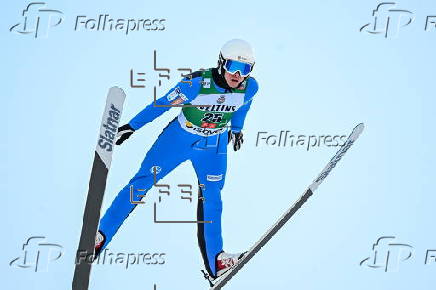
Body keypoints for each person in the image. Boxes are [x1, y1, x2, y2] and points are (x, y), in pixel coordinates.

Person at [95, 39, 259, 280]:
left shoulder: (250, 88)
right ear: (222, 63)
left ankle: (217, 262)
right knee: (141, 183)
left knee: (212, 196)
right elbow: (161, 104)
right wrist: (132, 126)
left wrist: (236, 129)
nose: (238, 74)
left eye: (245, 69)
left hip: (213, 146)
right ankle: (100, 236)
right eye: (234, 66)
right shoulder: (196, 83)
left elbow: (243, 106)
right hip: (179, 139)